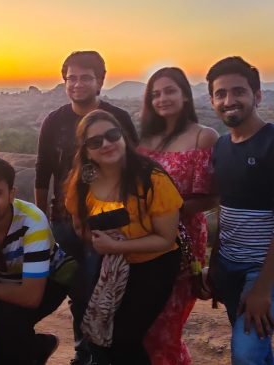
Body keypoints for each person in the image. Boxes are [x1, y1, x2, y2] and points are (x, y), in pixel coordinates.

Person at [33, 51, 138, 364]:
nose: (77, 84)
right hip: (64, 222)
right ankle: (81, 350)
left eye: (85, 77)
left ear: (100, 80)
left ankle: (93, 352)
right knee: (74, 286)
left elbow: (134, 167)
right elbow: (42, 172)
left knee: (98, 290)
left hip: (108, 222)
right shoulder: (54, 121)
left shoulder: (117, 120)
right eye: (71, 78)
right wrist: (43, 222)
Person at [206, 57, 274, 365]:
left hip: (269, 271)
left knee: (247, 351)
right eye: (220, 94)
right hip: (230, 266)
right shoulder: (222, 147)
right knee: (258, 349)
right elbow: (225, 212)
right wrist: (216, 267)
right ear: (212, 100)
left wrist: (262, 289)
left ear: (258, 95)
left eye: (238, 91)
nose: (229, 101)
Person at [64, 110, 182, 364]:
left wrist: (116, 245)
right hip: (110, 263)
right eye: (95, 142)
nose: (106, 144)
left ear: (123, 136)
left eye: (112, 135)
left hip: (153, 263)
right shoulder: (84, 180)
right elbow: (79, 223)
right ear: (85, 150)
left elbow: (165, 238)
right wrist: (99, 243)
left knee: (125, 338)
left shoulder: (150, 178)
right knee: (100, 332)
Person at [137, 67, 219, 365]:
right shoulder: (145, 138)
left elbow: (213, 195)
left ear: (185, 95)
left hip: (181, 243)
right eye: (155, 94)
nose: (162, 99)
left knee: (166, 329)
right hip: (143, 240)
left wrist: (168, 208)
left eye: (169, 91)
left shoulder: (203, 137)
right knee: (142, 326)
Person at [0, 156, 69, 365]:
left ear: (11, 194)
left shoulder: (32, 221)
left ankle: (35, 350)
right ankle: (37, 347)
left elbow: (31, 296)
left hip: (49, 281)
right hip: (2, 284)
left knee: (9, 322)